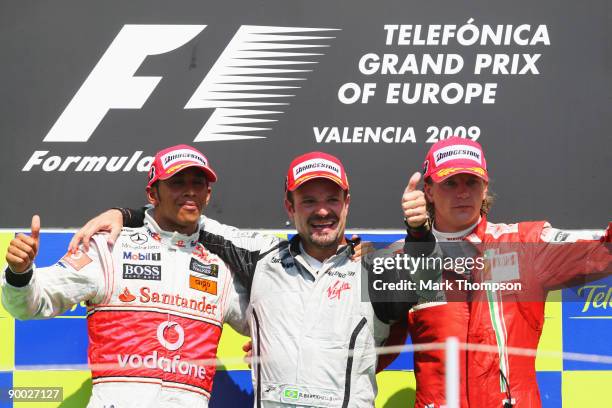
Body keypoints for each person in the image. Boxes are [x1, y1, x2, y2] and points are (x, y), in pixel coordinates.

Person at [68, 151, 433, 407]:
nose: (322, 210)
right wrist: (126, 213)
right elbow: (185, 215)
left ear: (347, 202)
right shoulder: (262, 257)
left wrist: (419, 232)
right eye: (308, 200)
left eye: (331, 199)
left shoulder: (371, 268)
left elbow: (420, 283)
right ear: (289, 207)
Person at [2, 144, 249, 408]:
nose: (189, 191)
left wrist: (269, 343)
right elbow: (29, 305)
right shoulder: (109, 246)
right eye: (177, 182)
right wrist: (20, 272)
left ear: (207, 195)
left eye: (197, 183)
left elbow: (265, 322)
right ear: (153, 193)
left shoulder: (221, 264)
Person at [393, 137, 612, 407]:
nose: (463, 192)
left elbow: (604, 251)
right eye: (450, 182)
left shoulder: (526, 245)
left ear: (484, 188)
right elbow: (365, 345)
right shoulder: (401, 259)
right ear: (428, 190)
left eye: (472, 182)